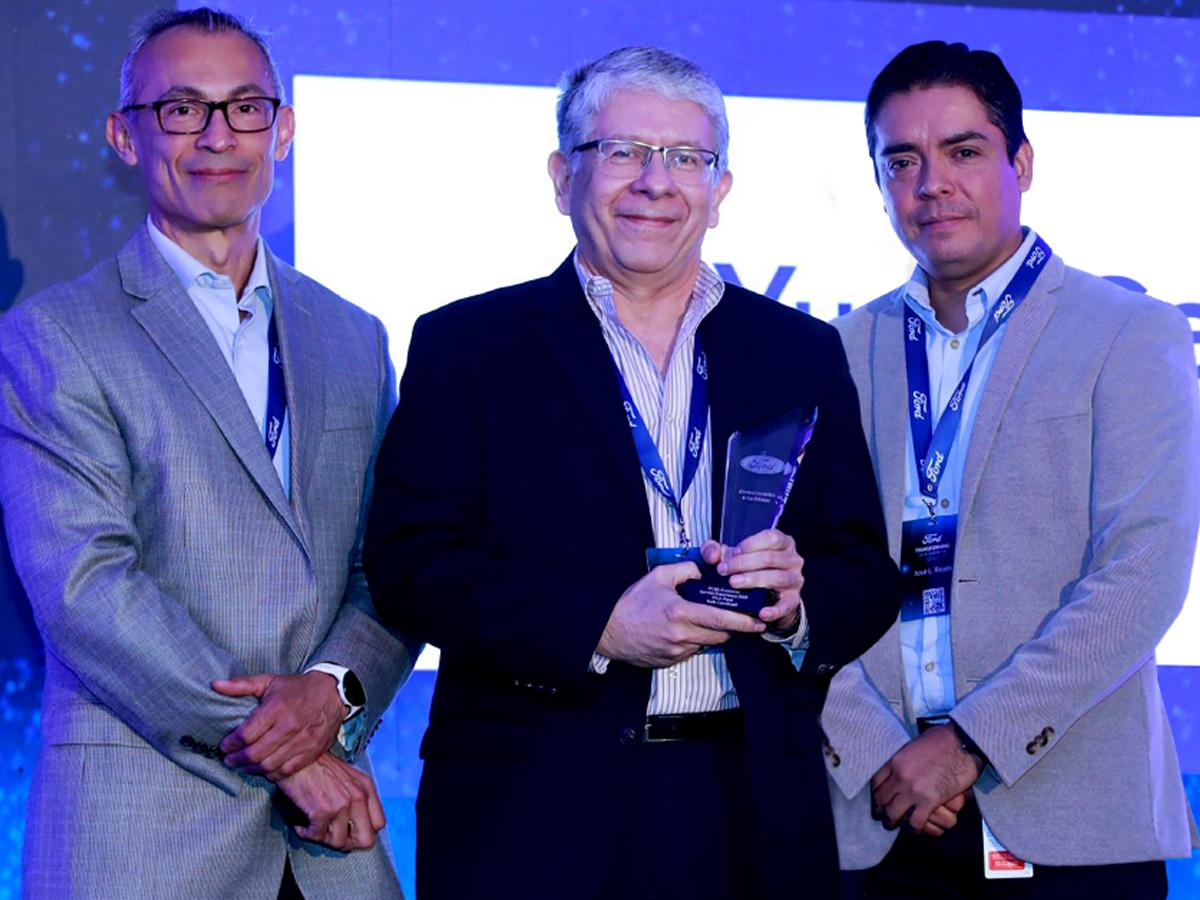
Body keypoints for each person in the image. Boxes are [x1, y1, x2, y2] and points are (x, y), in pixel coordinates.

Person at [363, 46, 899, 900]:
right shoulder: (468, 346)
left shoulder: (799, 351)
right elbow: (412, 567)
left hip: (754, 804)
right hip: (533, 813)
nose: (656, 181)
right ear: (560, 176)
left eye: (687, 158)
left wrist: (800, 608)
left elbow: (865, 569)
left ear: (720, 190)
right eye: (623, 152)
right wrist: (599, 627)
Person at [0, 8, 418, 898]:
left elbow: (393, 560)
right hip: (143, 837)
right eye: (181, 109)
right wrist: (289, 753)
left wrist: (335, 695)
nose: (219, 136)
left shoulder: (353, 336)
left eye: (246, 108)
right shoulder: (52, 337)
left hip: (333, 851)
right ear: (125, 135)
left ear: (285, 129)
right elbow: (86, 586)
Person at [822, 40, 1200, 899]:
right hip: (872, 816)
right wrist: (878, 748)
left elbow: (1142, 574)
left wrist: (966, 746)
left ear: (1021, 161)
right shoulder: (836, 353)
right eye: (902, 160)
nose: (931, 184)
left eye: (963, 151)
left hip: (1066, 820)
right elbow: (794, 579)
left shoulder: (1129, 333)